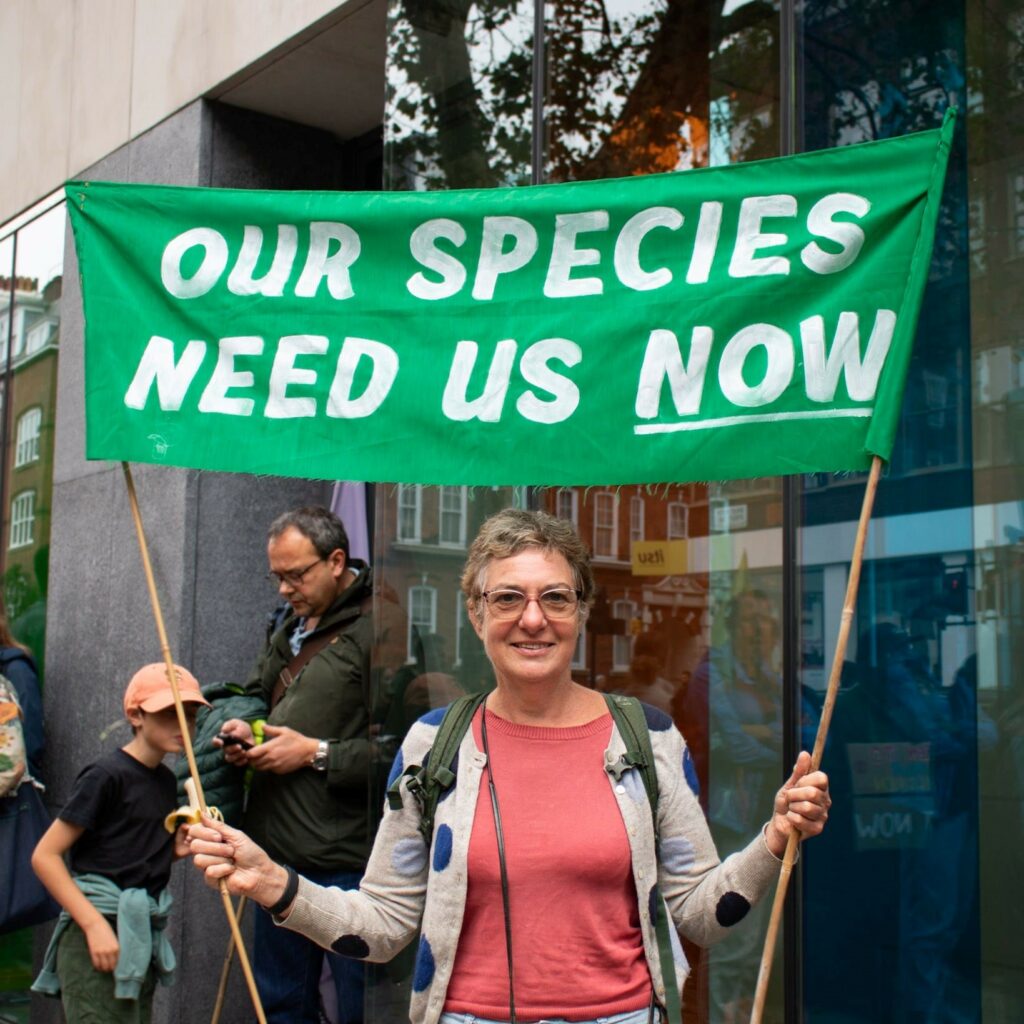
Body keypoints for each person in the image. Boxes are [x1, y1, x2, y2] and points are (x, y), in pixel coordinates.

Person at [190, 509, 830, 1024]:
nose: (533, 618)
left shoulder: (648, 737)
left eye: (555, 597)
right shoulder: (433, 746)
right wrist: (274, 883)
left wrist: (773, 841)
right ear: (476, 614)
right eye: (507, 599)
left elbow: (697, 913)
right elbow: (382, 927)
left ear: (581, 611)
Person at [216, 505, 374, 1024]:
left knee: (359, 1008)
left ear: (335, 561)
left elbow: (406, 751)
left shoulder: (387, 625)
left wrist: (315, 753)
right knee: (282, 1004)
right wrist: (245, 729)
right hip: (275, 851)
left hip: (347, 858)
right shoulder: (288, 622)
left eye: (296, 575)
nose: (284, 589)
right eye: (276, 576)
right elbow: (260, 696)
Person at [30, 663, 208, 1023]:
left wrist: (171, 852)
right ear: (135, 715)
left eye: (189, 715)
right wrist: (93, 925)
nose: (183, 726)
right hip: (95, 931)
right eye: (169, 713)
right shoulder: (105, 776)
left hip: (139, 935)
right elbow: (45, 856)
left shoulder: (164, 781)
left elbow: (125, 855)